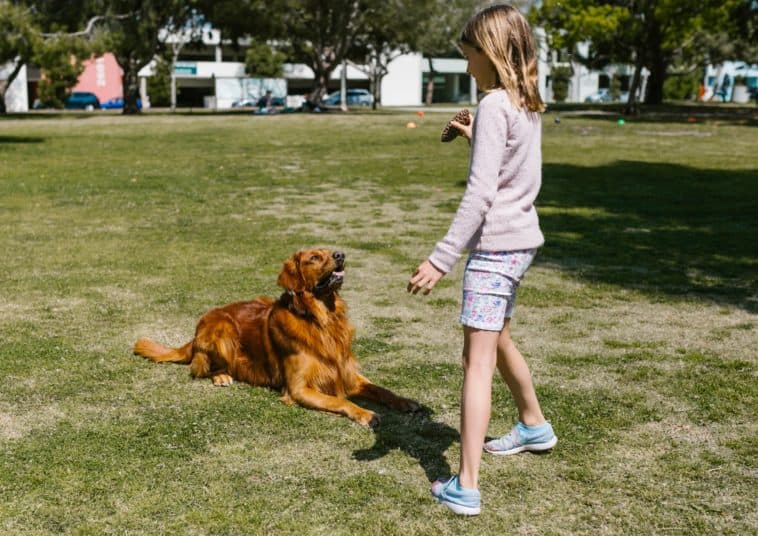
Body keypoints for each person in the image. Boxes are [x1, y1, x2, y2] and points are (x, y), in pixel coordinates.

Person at [407, 4, 557, 516]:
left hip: (495, 248)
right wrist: (475, 138)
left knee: (476, 360)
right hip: (521, 243)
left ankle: (465, 486)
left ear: (490, 53)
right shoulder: (524, 101)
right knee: (498, 336)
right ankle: (534, 425)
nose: (467, 65)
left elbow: (480, 194)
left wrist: (440, 259)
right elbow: (510, 167)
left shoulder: (495, 104)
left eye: (470, 55)